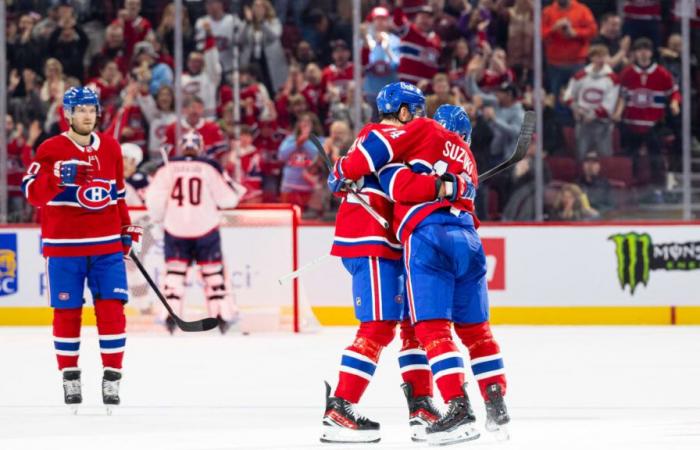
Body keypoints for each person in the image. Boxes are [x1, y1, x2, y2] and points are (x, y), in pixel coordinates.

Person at [330, 102, 509, 445]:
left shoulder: (421, 131)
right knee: (475, 332)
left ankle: (455, 408)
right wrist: (450, 186)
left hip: (427, 237)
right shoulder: (468, 159)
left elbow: (397, 184)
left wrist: (343, 171)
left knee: (429, 328)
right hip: (469, 239)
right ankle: (493, 403)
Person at [321, 82, 440, 444]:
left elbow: (349, 172)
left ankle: (421, 404)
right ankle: (341, 407)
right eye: (416, 111)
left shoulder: (401, 139)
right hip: (371, 240)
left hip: (392, 243)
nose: (419, 119)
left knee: (413, 326)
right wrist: (342, 170)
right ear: (403, 112)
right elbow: (355, 164)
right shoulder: (387, 132)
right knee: (378, 327)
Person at [21, 87, 143, 412]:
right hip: (63, 249)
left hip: (106, 247)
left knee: (112, 311)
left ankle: (113, 375)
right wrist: (58, 177)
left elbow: (117, 196)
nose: (87, 115)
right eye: (81, 110)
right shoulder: (51, 148)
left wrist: (125, 228)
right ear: (68, 114)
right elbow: (31, 193)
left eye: (91, 109)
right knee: (67, 312)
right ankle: (70, 374)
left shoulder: (112, 148)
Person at [145, 130, 244, 334]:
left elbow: (153, 199)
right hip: (205, 228)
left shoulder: (167, 167)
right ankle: (222, 315)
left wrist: (159, 217)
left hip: (175, 228)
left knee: (174, 274)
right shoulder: (209, 167)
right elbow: (228, 200)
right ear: (200, 147)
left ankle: (168, 317)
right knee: (213, 275)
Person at [615, 38, 680, 187]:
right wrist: (618, 112)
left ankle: (659, 187)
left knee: (655, 158)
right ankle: (635, 187)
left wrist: (675, 103)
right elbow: (621, 95)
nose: (643, 53)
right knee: (632, 158)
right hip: (632, 124)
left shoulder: (661, 73)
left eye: (646, 50)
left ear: (651, 53)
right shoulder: (628, 73)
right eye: (639, 50)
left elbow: (674, 92)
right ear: (635, 53)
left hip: (654, 125)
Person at [563, 44, 620, 158]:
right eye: (598, 56)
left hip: (602, 123)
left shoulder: (612, 78)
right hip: (582, 121)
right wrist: (577, 109)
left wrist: (593, 115)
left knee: (604, 157)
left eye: (604, 56)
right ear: (591, 58)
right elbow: (568, 96)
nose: (601, 60)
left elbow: (609, 104)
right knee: (581, 155)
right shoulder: (580, 76)